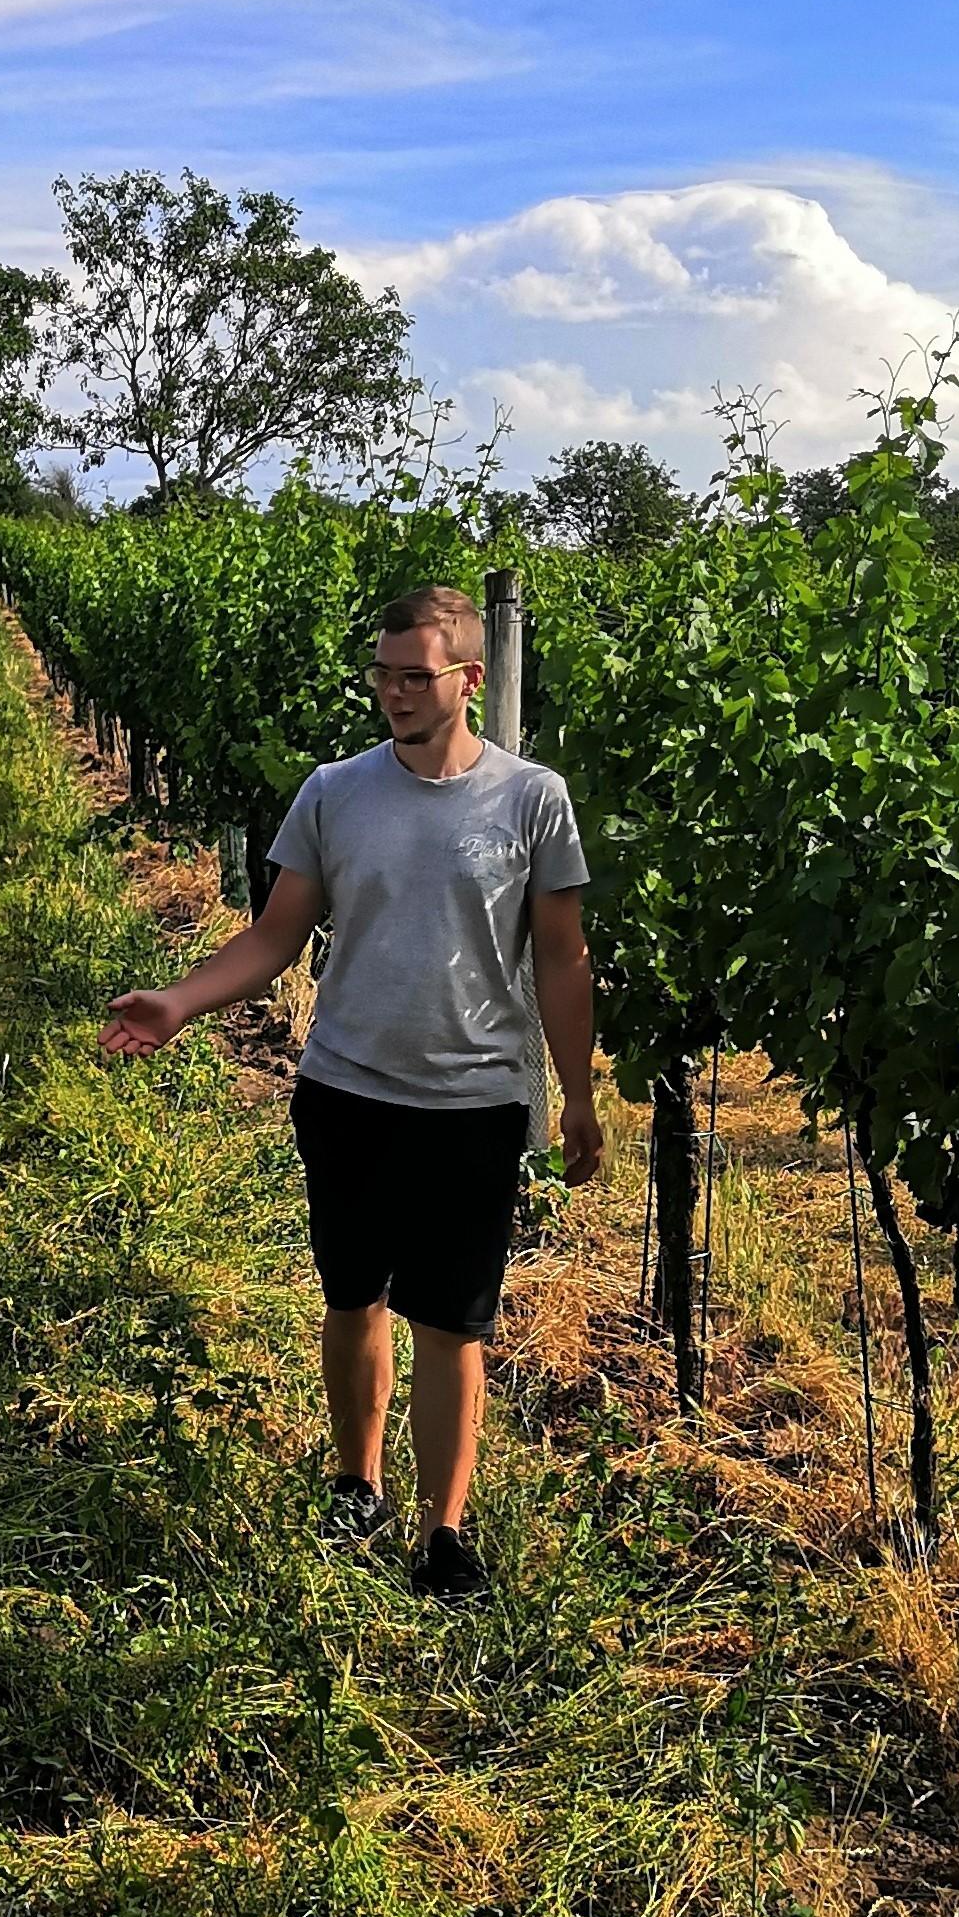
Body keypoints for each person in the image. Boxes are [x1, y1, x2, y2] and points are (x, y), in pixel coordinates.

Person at [102, 582, 602, 1601]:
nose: (393, 693)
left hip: (474, 1103)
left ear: (467, 678)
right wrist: (179, 1003)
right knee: (353, 1296)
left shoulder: (530, 800)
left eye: (414, 676)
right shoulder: (334, 791)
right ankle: (354, 1481)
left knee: (453, 1322)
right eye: (382, 674)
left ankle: (443, 1531)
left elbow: (560, 959)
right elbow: (275, 936)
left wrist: (578, 1096)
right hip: (347, 1090)